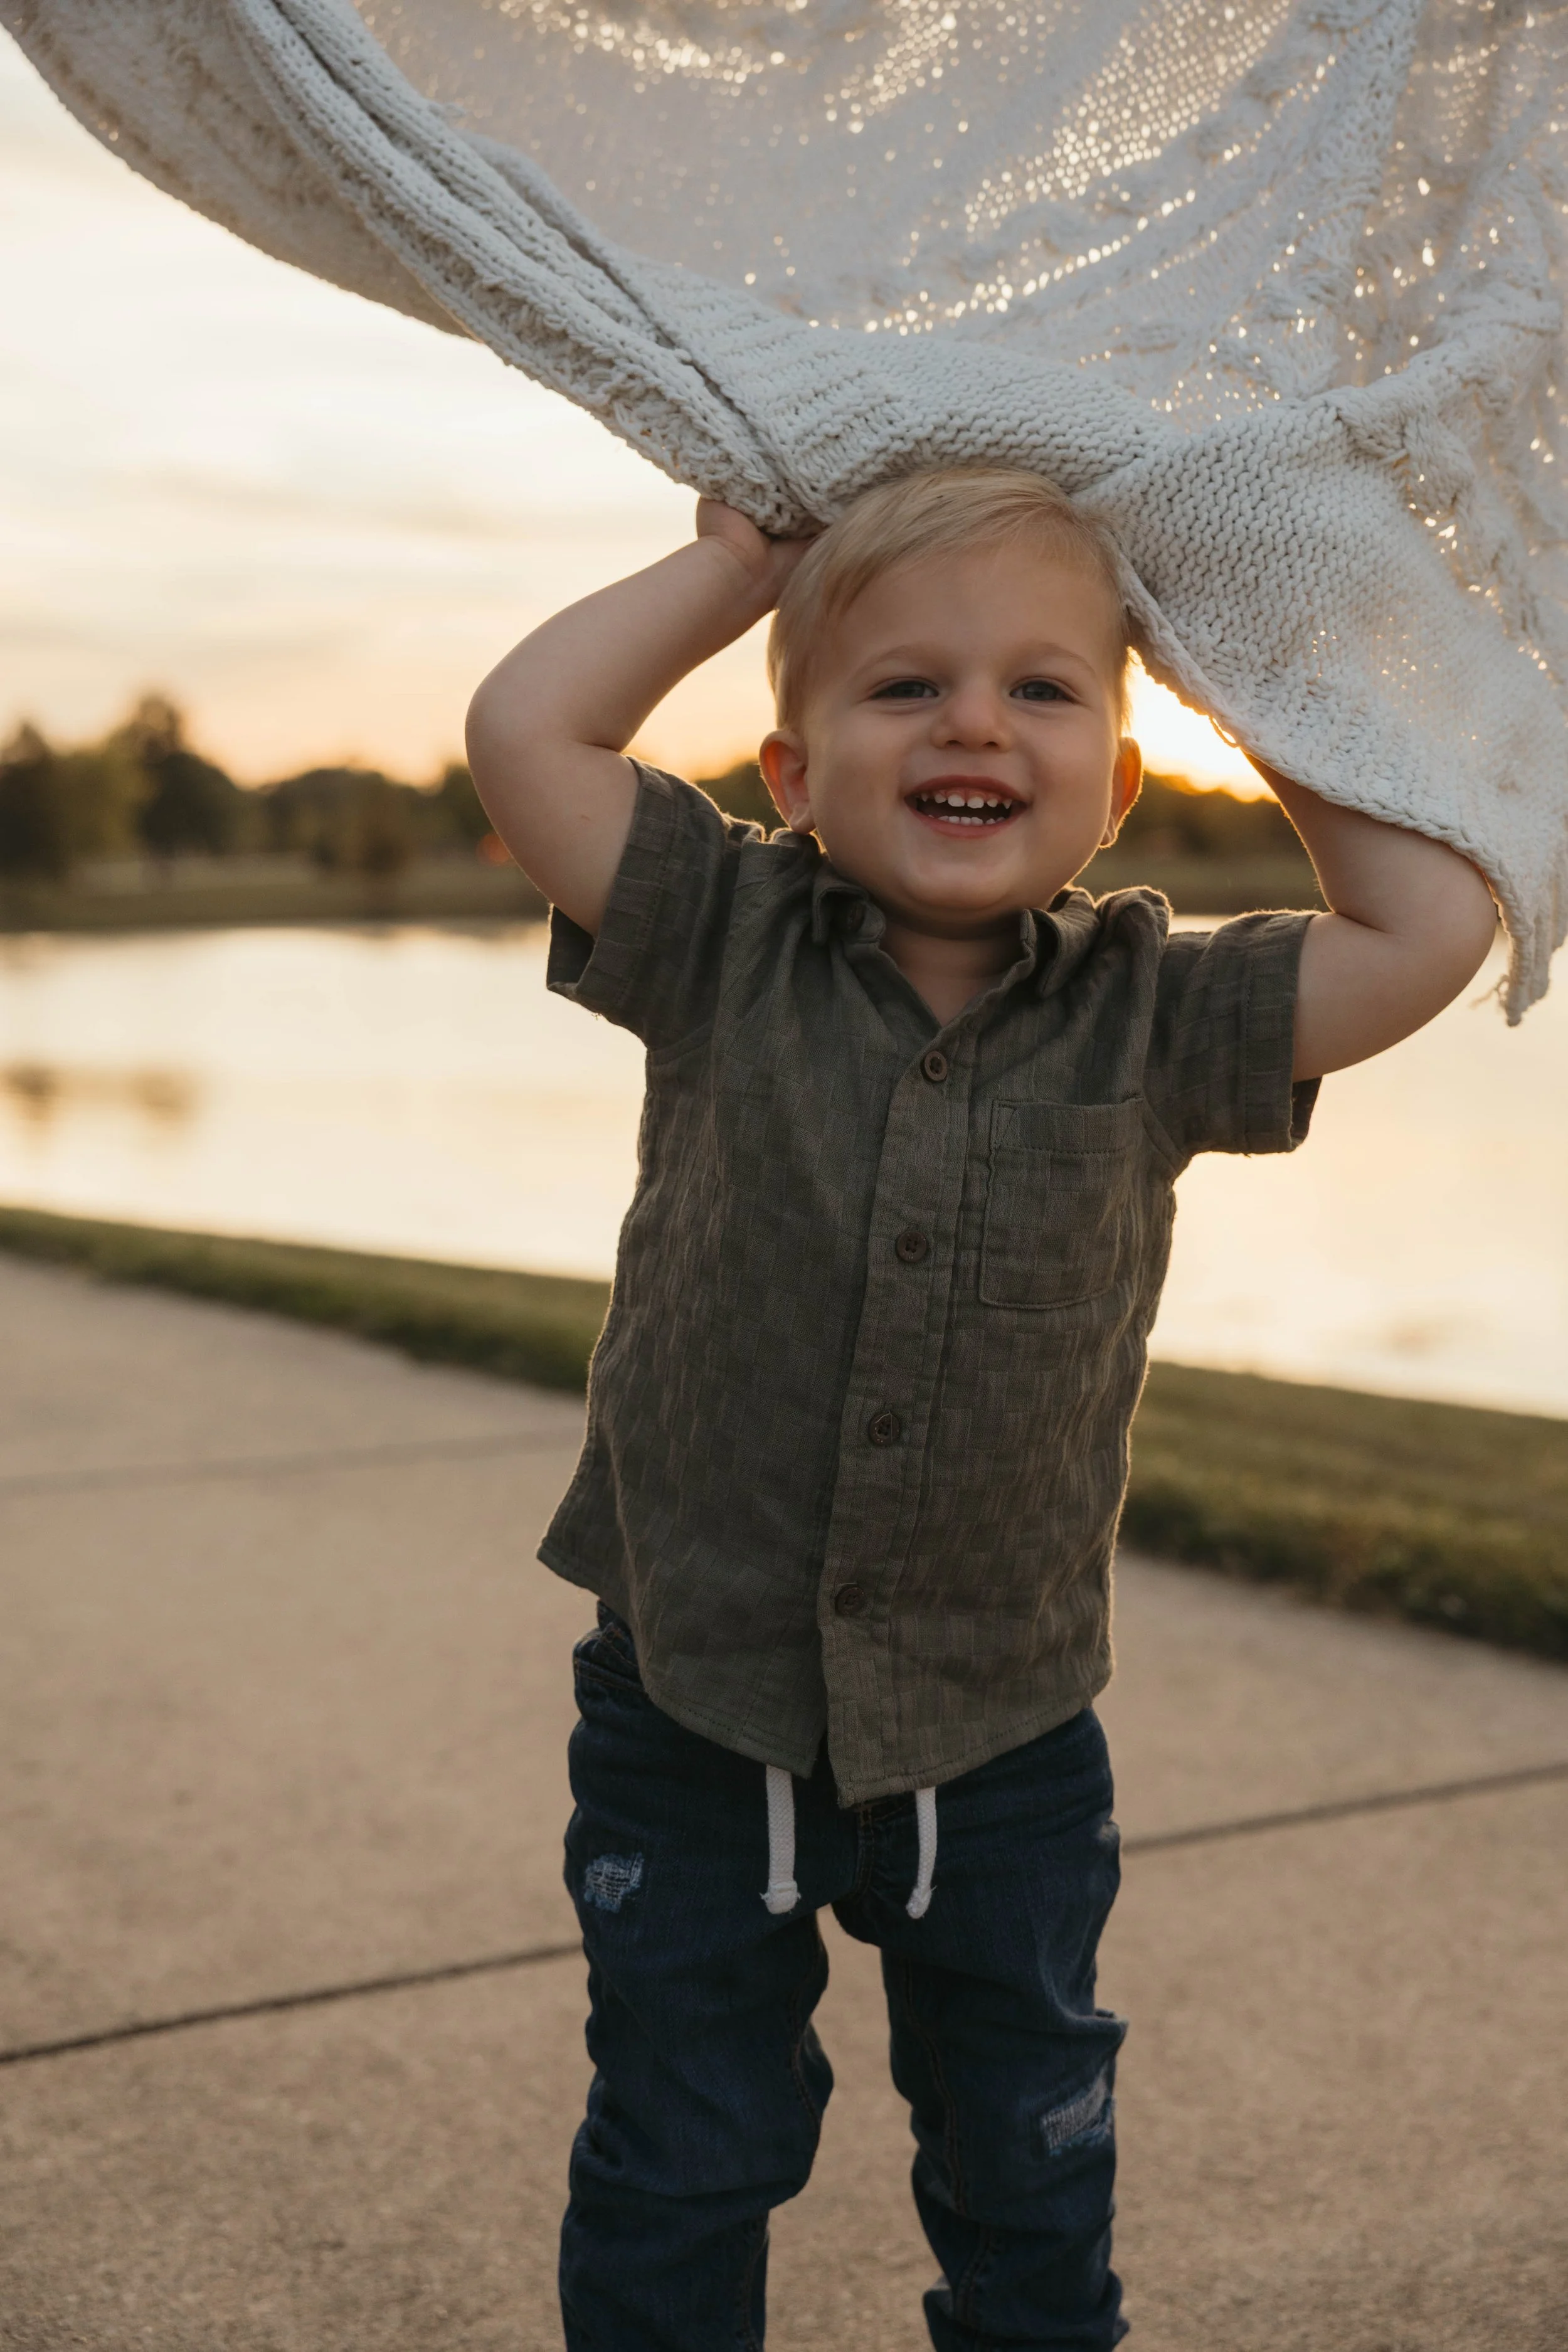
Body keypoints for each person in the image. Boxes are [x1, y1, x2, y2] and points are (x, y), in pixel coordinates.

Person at [465, 469, 1497, 2349]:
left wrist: (1241, 663)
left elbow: (1426, 926)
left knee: (1028, 2168)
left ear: (1115, 780)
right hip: (696, 1698)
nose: (968, 722)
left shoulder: (1157, 1011)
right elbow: (527, 731)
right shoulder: (718, 940)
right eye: (901, 688)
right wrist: (731, 568)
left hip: (1000, 1730)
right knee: (683, 2148)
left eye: (1042, 688)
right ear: (790, 773)